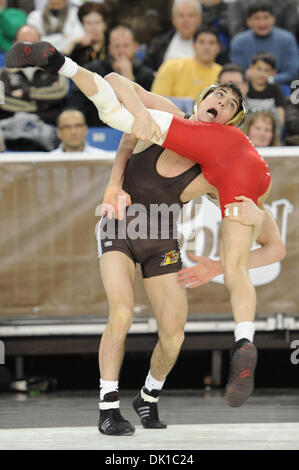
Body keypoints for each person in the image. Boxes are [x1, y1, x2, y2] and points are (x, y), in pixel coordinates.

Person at [5, 41, 286, 434]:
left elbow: (268, 234)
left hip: (161, 239)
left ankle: (147, 397)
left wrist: (258, 213)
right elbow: (121, 95)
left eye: (228, 104)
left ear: (232, 124)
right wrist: (112, 184)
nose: (219, 102)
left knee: (173, 332)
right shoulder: (169, 115)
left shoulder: (216, 167)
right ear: (200, 98)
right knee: (121, 311)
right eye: (216, 95)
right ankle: (107, 407)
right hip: (120, 223)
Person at [67, 25, 155, 127]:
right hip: (96, 128)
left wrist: (129, 79)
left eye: (126, 46)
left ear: (135, 47)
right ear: (109, 48)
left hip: (135, 130)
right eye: (116, 46)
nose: (121, 51)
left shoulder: (147, 74)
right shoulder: (92, 71)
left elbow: (151, 111)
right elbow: (75, 103)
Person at [0, 25, 69, 125]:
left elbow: (60, 92)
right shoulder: (3, 74)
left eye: (33, 44)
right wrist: (37, 103)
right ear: (14, 45)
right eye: (24, 43)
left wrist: (25, 94)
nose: (28, 49)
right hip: (13, 126)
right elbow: (3, 101)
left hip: (49, 123)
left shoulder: (56, 70)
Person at [230, 0, 298, 87]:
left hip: (280, 88)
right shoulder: (238, 41)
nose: (262, 23)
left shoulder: (288, 39)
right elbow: (237, 71)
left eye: (266, 17)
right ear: (248, 21)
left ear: (273, 19)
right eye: (257, 18)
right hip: (248, 88)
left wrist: (270, 79)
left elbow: (292, 72)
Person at [151, 25, 222, 100]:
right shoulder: (171, 66)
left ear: (218, 48)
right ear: (193, 46)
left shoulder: (223, 74)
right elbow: (157, 99)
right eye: (201, 42)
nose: (206, 47)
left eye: (211, 43)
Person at [143, 0, 203, 72]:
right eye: (181, 15)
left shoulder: (211, 43)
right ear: (173, 19)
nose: (186, 20)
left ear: (199, 19)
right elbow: (146, 68)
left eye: (191, 16)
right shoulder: (160, 43)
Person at [246, 51, 285, 127]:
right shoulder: (245, 87)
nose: (261, 74)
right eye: (258, 69)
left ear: (273, 72)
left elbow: (281, 116)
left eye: (266, 70)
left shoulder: (275, 89)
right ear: (251, 68)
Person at [64, 2, 108, 66]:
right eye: (88, 23)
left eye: (97, 22)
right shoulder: (79, 48)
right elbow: (64, 68)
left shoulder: (113, 44)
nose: (93, 27)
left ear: (105, 23)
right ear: (82, 25)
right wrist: (72, 43)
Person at [227, 0, 299, 37]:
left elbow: (291, 28)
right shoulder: (238, 4)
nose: (262, 23)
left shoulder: (289, 3)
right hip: (249, 46)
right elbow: (236, 30)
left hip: (281, 46)